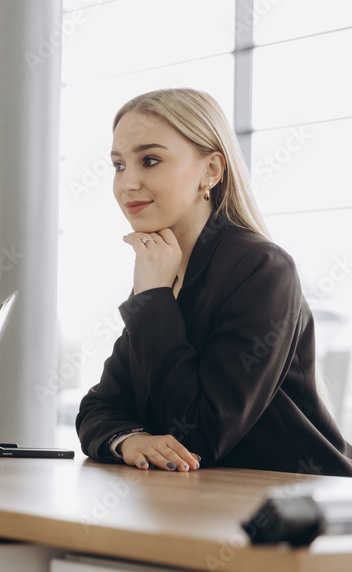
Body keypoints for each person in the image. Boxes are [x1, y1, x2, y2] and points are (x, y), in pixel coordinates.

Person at [76, 88, 352, 477]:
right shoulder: (163, 273)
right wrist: (130, 439)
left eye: (150, 160)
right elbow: (98, 408)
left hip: (292, 508)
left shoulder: (262, 269)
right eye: (119, 165)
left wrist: (153, 298)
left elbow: (201, 435)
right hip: (198, 503)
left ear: (211, 171)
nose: (127, 184)